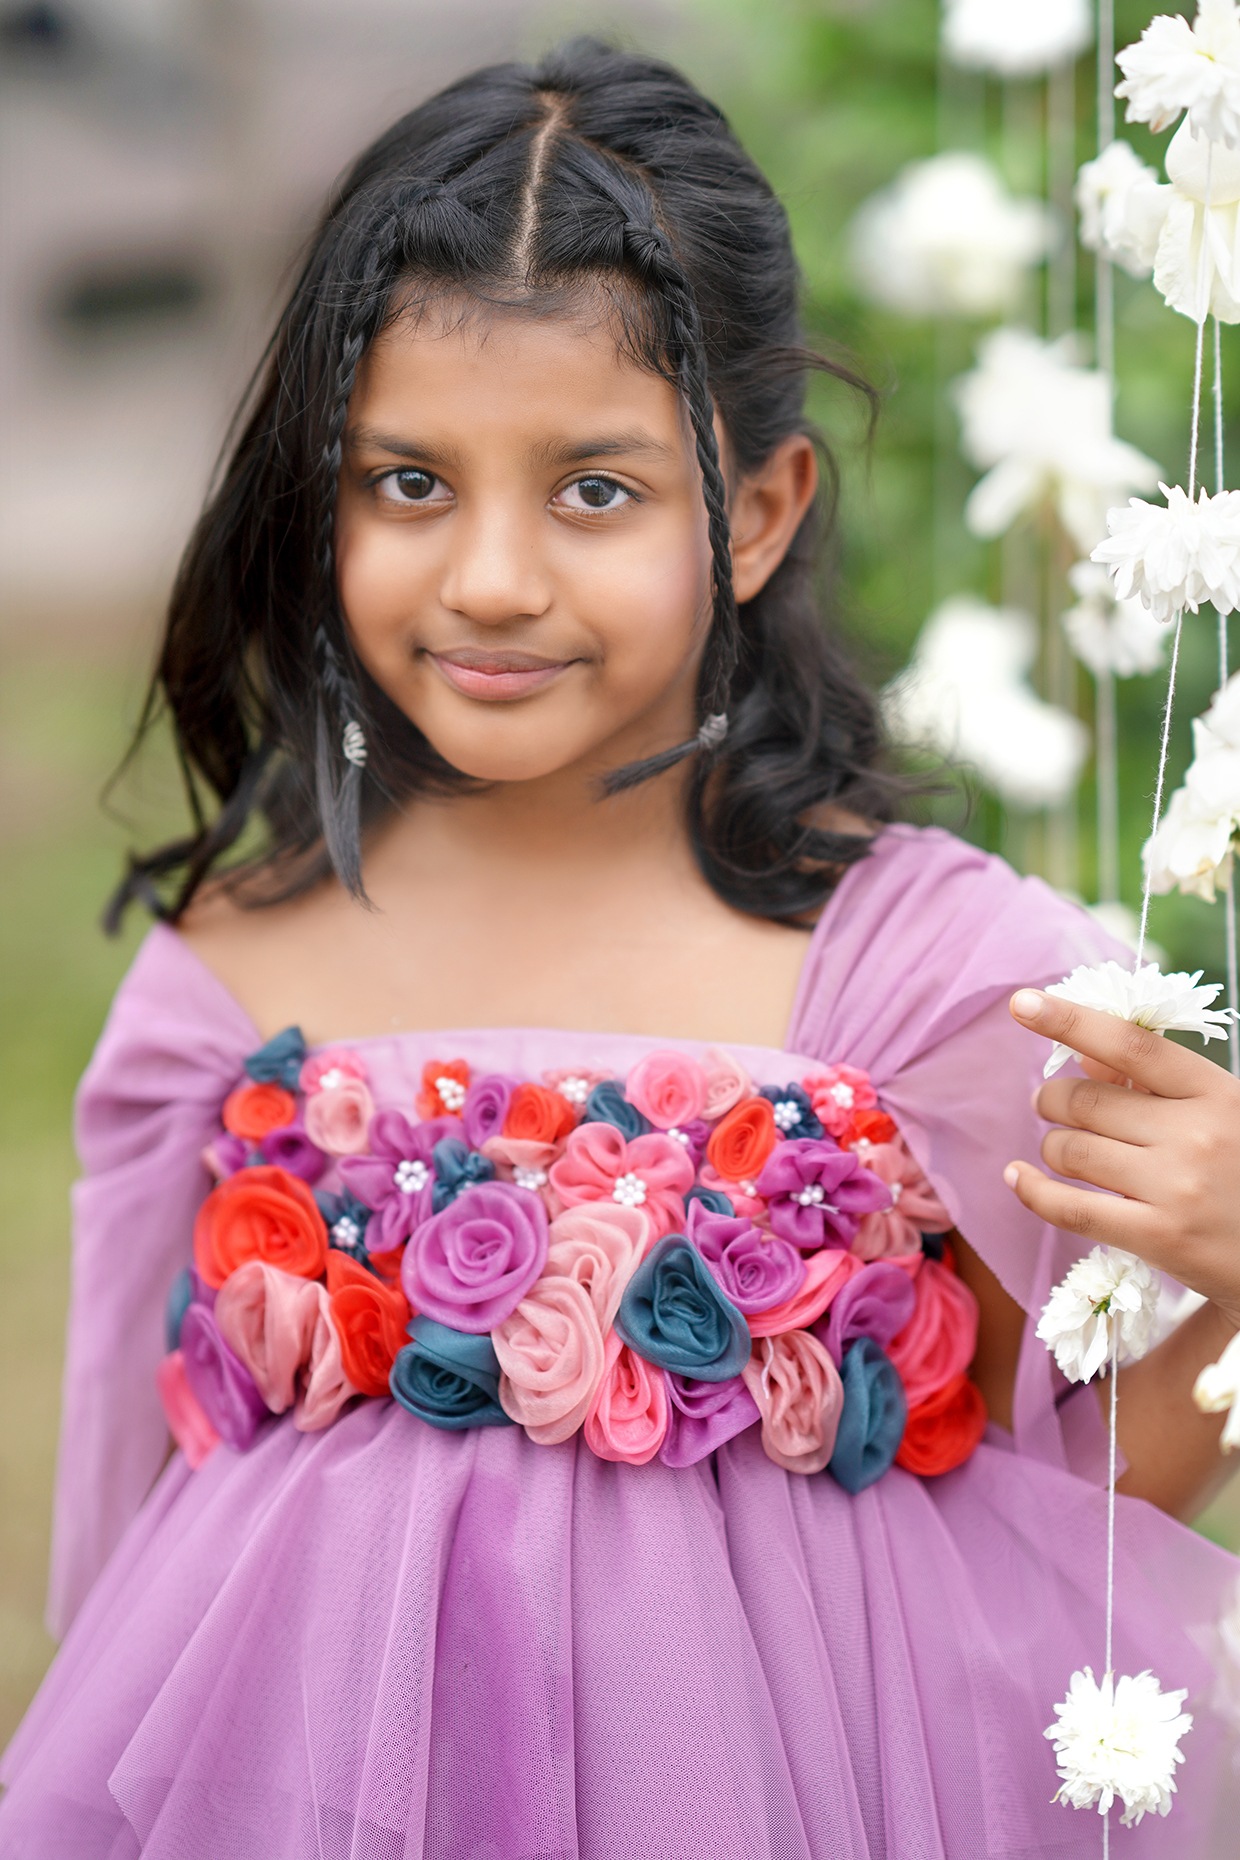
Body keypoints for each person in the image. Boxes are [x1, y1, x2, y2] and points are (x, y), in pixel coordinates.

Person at [1, 38, 1237, 1859]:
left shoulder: (925, 981)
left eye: (593, 490)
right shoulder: (229, 988)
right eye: (408, 483)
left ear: (754, 513)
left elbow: (1068, 1514)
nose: (491, 576)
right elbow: (134, 1576)